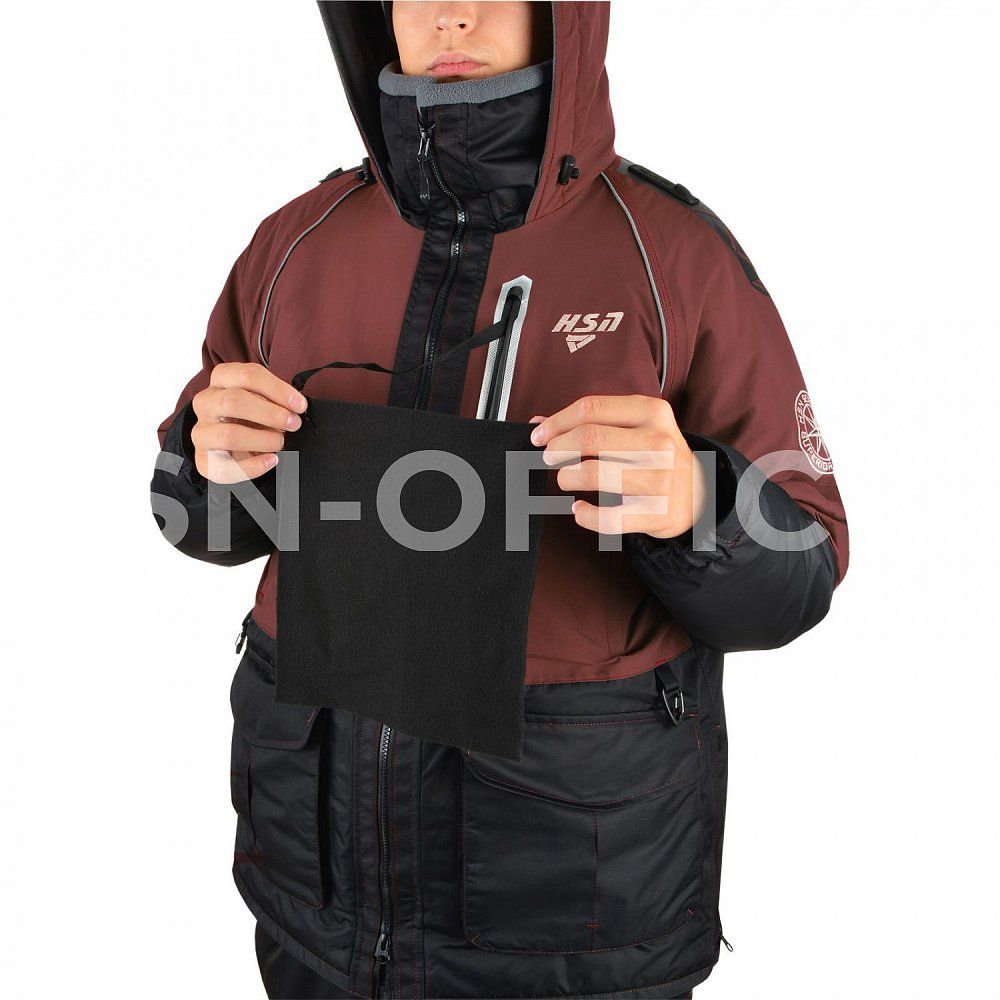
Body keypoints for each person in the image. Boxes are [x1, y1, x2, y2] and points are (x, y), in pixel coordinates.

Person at [150, 2, 849, 997]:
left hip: (574, 929)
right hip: (314, 908)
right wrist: (207, 464)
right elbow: (194, 519)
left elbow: (804, 569)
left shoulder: (672, 254)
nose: (451, 13)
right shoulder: (296, 242)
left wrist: (700, 501)